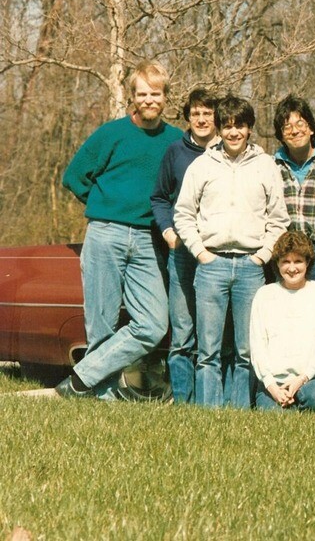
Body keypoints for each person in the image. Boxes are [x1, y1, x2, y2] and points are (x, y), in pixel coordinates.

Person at [57, 60, 182, 399]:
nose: (149, 100)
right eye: (142, 94)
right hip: (106, 233)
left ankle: (80, 381)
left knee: (154, 324)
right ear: (133, 96)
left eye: (156, 93)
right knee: (101, 324)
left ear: (165, 96)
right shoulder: (111, 133)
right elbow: (74, 177)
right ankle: (103, 394)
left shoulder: (176, 141)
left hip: (148, 239)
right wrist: (103, 202)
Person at [174, 95, 289, 408]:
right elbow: (183, 213)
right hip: (211, 264)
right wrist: (200, 252)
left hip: (251, 267)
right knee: (207, 350)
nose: (234, 132)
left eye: (240, 125)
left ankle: (238, 412)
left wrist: (261, 256)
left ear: (250, 129)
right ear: (219, 129)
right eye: (227, 126)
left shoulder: (265, 166)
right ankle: (208, 413)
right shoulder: (202, 165)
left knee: (245, 349)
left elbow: (279, 220)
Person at [150, 88, 220, 404]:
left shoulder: (228, 150)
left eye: (207, 113)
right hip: (181, 252)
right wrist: (167, 230)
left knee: (216, 334)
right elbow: (160, 197)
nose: (202, 119)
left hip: (218, 252)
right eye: (196, 114)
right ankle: (183, 400)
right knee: (182, 333)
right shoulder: (176, 152)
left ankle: (213, 400)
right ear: (188, 118)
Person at [250, 231, 315, 411]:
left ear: (308, 262)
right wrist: (272, 387)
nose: (292, 268)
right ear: (277, 264)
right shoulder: (264, 295)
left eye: (298, 261)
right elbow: (257, 344)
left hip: (310, 380)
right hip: (273, 383)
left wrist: (302, 378)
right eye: (286, 262)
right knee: (273, 420)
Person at [272, 94, 315, 292]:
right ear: (281, 135)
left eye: (300, 123)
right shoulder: (271, 166)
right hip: (285, 254)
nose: (295, 131)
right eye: (287, 127)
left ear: (311, 128)